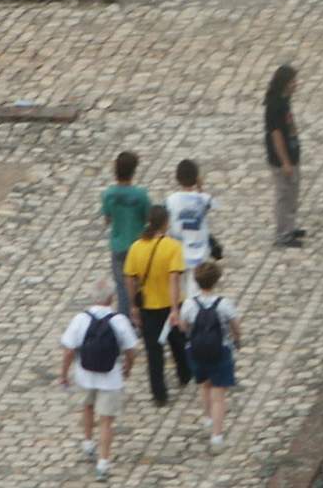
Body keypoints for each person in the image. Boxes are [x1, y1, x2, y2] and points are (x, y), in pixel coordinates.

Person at [60, 279, 137, 482]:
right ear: (111, 297)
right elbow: (131, 349)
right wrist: (128, 367)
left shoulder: (81, 319)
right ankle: (103, 463)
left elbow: (69, 351)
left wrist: (64, 374)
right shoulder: (119, 320)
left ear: (92, 297)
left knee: (87, 407)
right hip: (111, 378)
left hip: (85, 375)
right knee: (106, 421)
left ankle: (88, 443)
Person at [124, 205, 191, 405]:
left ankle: (159, 395)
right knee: (178, 344)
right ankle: (185, 375)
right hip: (170, 304)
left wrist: (133, 306)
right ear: (166, 222)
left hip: (148, 307)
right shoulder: (173, 247)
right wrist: (175, 309)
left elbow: (130, 278)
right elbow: (174, 279)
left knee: (154, 352)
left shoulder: (136, 247)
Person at [179, 262, 242, 452]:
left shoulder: (189, 304)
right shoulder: (224, 304)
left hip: (196, 351)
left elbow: (183, 327)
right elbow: (236, 326)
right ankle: (217, 436)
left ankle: (207, 418)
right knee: (219, 395)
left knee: (204, 384)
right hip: (220, 351)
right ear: (216, 280)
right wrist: (237, 340)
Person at [101, 152, 151, 317]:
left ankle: (124, 320)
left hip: (118, 246)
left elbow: (108, 219)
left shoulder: (108, 194)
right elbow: (148, 218)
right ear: (134, 171)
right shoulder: (141, 195)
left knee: (122, 288)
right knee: (140, 286)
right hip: (138, 245)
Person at [264, 64, 305, 248]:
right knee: (284, 194)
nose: (296, 84)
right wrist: (285, 162)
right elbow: (276, 135)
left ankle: (290, 227)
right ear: (285, 83)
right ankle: (282, 234)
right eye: (293, 81)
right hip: (282, 159)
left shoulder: (284, 100)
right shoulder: (274, 106)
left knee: (293, 192)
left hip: (292, 153)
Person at [166, 159, 217, 299]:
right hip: (199, 252)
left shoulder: (171, 200)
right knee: (195, 295)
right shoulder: (203, 199)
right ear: (196, 178)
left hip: (179, 251)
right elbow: (210, 205)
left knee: (181, 291)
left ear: (177, 178)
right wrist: (200, 188)